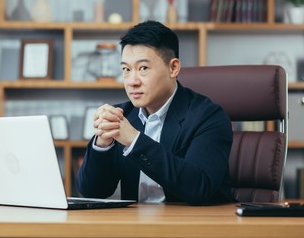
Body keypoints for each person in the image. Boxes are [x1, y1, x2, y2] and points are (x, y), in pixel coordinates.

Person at [76, 20, 234, 205]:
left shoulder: (208, 116)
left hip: (194, 227)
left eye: (143, 68)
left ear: (173, 68)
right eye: (126, 70)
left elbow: (199, 187)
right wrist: (103, 144)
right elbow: (93, 191)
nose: (132, 81)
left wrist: (134, 140)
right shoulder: (123, 115)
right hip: (136, 229)